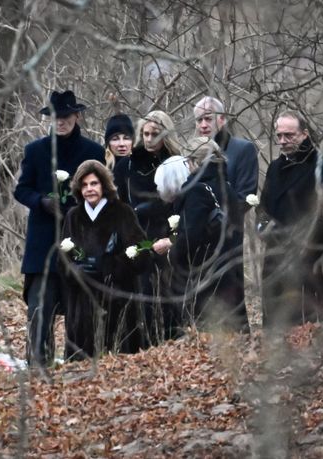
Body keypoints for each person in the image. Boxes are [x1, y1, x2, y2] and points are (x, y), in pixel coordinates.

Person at [13, 90, 105, 367]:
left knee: (80, 313)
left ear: (77, 116)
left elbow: (102, 192)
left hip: (79, 239)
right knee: (40, 314)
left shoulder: (93, 152)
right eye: (54, 117)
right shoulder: (35, 150)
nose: (60, 122)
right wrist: (41, 202)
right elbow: (21, 190)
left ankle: (79, 368)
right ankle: (38, 369)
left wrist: (80, 206)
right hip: (43, 246)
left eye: (65, 116)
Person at [58, 160, 152, 359]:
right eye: (84, 185)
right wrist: (76, 270)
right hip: (82, 305)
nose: (89, 189)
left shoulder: (122, 212)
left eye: (94, 184)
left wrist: (110, 266)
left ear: (104, 185)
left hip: (117, 300)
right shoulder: (73, 216)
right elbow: (62, 259)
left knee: (118, 364)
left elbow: (141, 254)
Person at [257, 111, 323, 327]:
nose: (283, 141)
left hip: (308, 255)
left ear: (304, 134)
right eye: (279, 135)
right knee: (274, 313)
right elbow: (263, 206)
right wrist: (262, 227)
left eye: (289, 135)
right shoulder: (275, 167)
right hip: (274, 251)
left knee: (305, 317)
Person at [114, 110, 181, 344]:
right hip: (136, 237)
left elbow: (181, 205)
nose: (150, 138)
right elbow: (119, 204)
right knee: (138, 299)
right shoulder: (126, 165)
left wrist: (173, 238)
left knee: (167, 299)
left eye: (155, 134)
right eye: (146, 133)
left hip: (166, 236)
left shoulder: (176, 163)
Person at [170, 137, 249, 332]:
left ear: (194, 162)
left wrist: (173, 252)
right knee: (236, 339)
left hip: (206, 278)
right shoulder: (228, 188)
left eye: (187, 161)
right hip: (231, 273)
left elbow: (191, 237)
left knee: (209, 342)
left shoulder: (197, 190)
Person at [192, 96, 257, 328]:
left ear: (222, 119)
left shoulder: (242, 149)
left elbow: (246, 195)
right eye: (199, 120)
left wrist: (216, 219)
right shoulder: (193, 150)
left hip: (229, 235)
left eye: (208, 119)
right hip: (198, 240)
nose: (203, 125)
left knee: (231, 297)